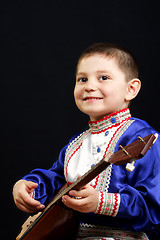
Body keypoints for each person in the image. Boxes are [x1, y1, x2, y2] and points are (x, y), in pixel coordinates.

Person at [13, 43, 160, 240]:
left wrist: (102, 202)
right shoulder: (76, 144)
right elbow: (56, 179)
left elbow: (154, 205)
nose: (89, 86)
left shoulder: (142, 138)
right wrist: (29, 187)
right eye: (82, 79)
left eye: (104, 78)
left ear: (131, 89)